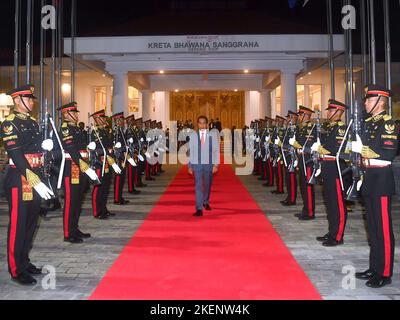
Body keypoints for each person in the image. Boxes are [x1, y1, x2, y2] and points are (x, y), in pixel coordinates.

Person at [0, 84, 54, 285]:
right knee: (18, 224)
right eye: (28, 99)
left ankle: (24, 261)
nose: (32, 102)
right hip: (19, 177)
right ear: (17, 100)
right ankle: (15, 269)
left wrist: (47, 146)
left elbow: (37, 150)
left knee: (31, 223)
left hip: (35, 175)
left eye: (32, 99)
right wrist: (35, 180)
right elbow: (17, 155)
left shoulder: (32, 122)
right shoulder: (10, 123)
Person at [353, 85, 399, 288]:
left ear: (381, 101)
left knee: (383, 228)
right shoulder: (369, 123)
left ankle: (385, 272)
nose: (365, 103)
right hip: (370, 176)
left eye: (369, 100)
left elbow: (387, 153)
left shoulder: (388, 124)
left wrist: (362, 149)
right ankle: (375, 267)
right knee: (372, 227)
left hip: (381, 178)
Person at [58, 102, 99, 243]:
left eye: (76, 113)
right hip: (72, 167)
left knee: (78, 200)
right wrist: (83, 165)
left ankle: (74, 228)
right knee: (70, 201)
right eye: (73, 113)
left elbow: (81, 148)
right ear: (66, 114)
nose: (76, 115)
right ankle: (68, 233)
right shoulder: (65, 129)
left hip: (81, 166)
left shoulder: (76, 129)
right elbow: (71, 149)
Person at [313, 99, 348, 246]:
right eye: (329, 110)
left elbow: (337, 148)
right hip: (327, 167)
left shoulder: (340, 128)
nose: (328, 113)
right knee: (330, 203)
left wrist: (322, 149)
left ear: (339, 112)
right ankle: (332, 231)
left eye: (331, 110)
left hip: (335, 167)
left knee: (338, 204)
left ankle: (338, 236)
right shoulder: (329, 127)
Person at [89, 109, 121, 219]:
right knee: (98, 187)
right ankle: (96, 211)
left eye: (104, 118)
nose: (104, 120)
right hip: (99, 163)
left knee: (106, 187)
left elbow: (108, 147)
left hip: (107, 163)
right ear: (96, 119)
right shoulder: (94, 133)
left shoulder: (104, 131)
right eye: (101, 118)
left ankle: (103, 209)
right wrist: (108, 152)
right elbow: (95, 150)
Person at [188, 116, 220, 216]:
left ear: (207, 124)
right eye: (200, 123)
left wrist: (216, 164)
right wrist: (189, 165)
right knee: (198, 186)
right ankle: (199, 209)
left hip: (208, 165)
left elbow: (216, 150)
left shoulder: (212, 136)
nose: (202, 125)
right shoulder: (193, 136)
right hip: (197, 164)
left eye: (204, 123)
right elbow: (190, 151)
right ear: (197, 124)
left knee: (207, 185)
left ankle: (205, 202)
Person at [292, 106, 316, 220]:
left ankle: (310, 212)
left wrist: (298, 144)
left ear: (306, 115)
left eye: (301, 115)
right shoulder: (301, 128)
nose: (299, 117)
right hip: (301, 158)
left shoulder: (310, 128)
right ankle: (305, 209)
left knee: (308, 187)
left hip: (308, 160)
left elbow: (308, 143)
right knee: (302, 186)